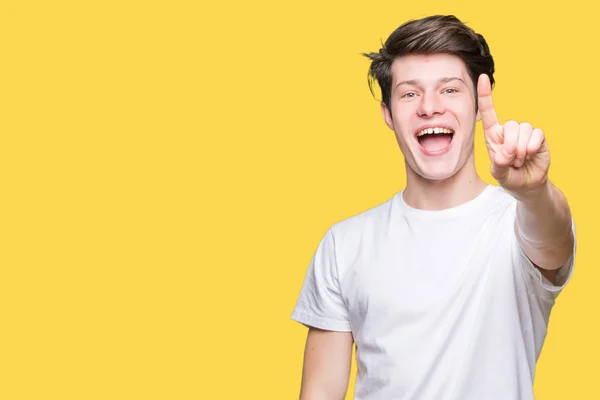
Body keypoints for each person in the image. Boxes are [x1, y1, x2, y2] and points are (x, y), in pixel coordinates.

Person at [290, 14, 576, 400]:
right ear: (389, 114)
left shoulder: (518, 223)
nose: (429, 107)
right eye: (410, 93)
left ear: (477, 105)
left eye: (450, 90)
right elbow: (319, 392)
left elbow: (554, 240)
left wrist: (534, 191)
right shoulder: (345, 244)